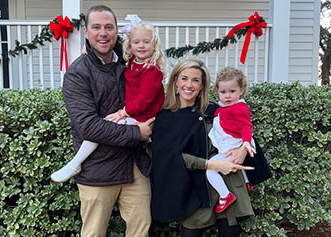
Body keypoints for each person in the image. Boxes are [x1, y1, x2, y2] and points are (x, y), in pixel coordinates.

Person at [60, 5, 154, 237]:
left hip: (134, 166)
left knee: (140, 230)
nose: (103, 33)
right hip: (97, 169)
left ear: (117, 32)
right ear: (86, 32)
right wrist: (136, 134)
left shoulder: (130, 61)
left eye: (109, 27)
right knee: (93, 233)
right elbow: (88, 126)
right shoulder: (77, 74)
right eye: (97, 27)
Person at [51, 21, 166, 183]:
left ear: (155, 45)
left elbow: (144, 100)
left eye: (146, 42)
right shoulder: (132, 62)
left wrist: (123, 113)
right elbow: (107, 45)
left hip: (142, 115)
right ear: (130, 45)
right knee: (101, 127)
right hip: (133, 113)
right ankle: (75, 163)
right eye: (136, 42)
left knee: (105, 124)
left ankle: (75, 163)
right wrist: (90, 50)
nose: (141, 46)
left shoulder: (152, 71)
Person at [151, 59, 254, 237]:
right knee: (190, 233)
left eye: (196, 80)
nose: (189, 85)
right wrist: (209, 165)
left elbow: (243, 132)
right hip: (191, 188)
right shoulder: (165, 117)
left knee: (229, 232)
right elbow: (168, 157)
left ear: (202, 85)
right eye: (184, 78)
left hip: (225, 186)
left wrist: (243, 150)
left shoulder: (213, 111)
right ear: (176, 81)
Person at [207, 67, 256, 214]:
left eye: (232, 91)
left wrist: (246, 143)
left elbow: (246, 126)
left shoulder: (240, 108)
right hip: (228, 146)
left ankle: (225, 195)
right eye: (223, 92)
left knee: (209, 170)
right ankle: (247, 183)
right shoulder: (223, 108)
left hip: (231, 147)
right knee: (237, 164)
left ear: (241, 90)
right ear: (217, 91)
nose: (227, 96)